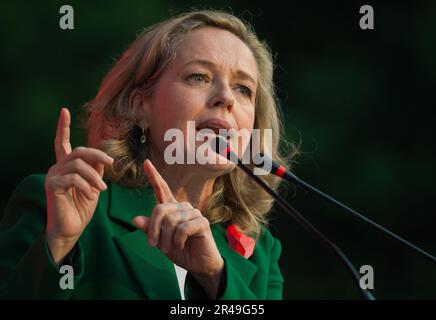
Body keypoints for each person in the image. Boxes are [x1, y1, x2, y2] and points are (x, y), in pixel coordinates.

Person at [0, 9, 295, 300]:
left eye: (244, 89)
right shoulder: (60, 204)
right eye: (199, 77)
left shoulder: (261, 251)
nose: (227, 97)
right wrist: (59, 242)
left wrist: (215, 277)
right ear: (140, 106)